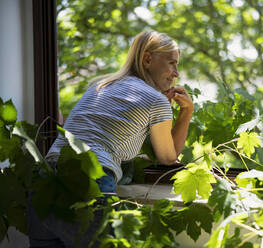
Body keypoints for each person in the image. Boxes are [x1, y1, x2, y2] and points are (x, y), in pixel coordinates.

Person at [27, 30, 193, 248]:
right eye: (172, 63)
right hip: (87, 184)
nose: (176, 73)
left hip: (42, 182)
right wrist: (186, 112)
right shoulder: (155, 101)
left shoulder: (101, 86)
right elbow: (167, 158)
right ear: (147, 59)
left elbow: (111, 133)